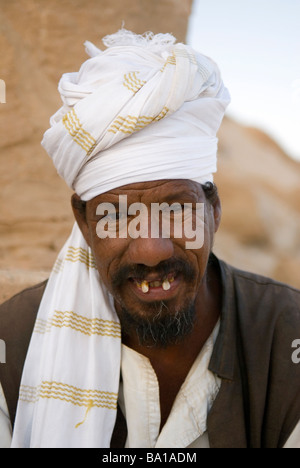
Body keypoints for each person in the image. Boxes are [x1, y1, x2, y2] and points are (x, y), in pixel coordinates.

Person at [0, 29, 299, 449]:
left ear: (213, 210)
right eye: (117, 216)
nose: (151, 249)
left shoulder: (288, 337)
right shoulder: (12, 344)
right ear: (84, 223)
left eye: (177, 210)